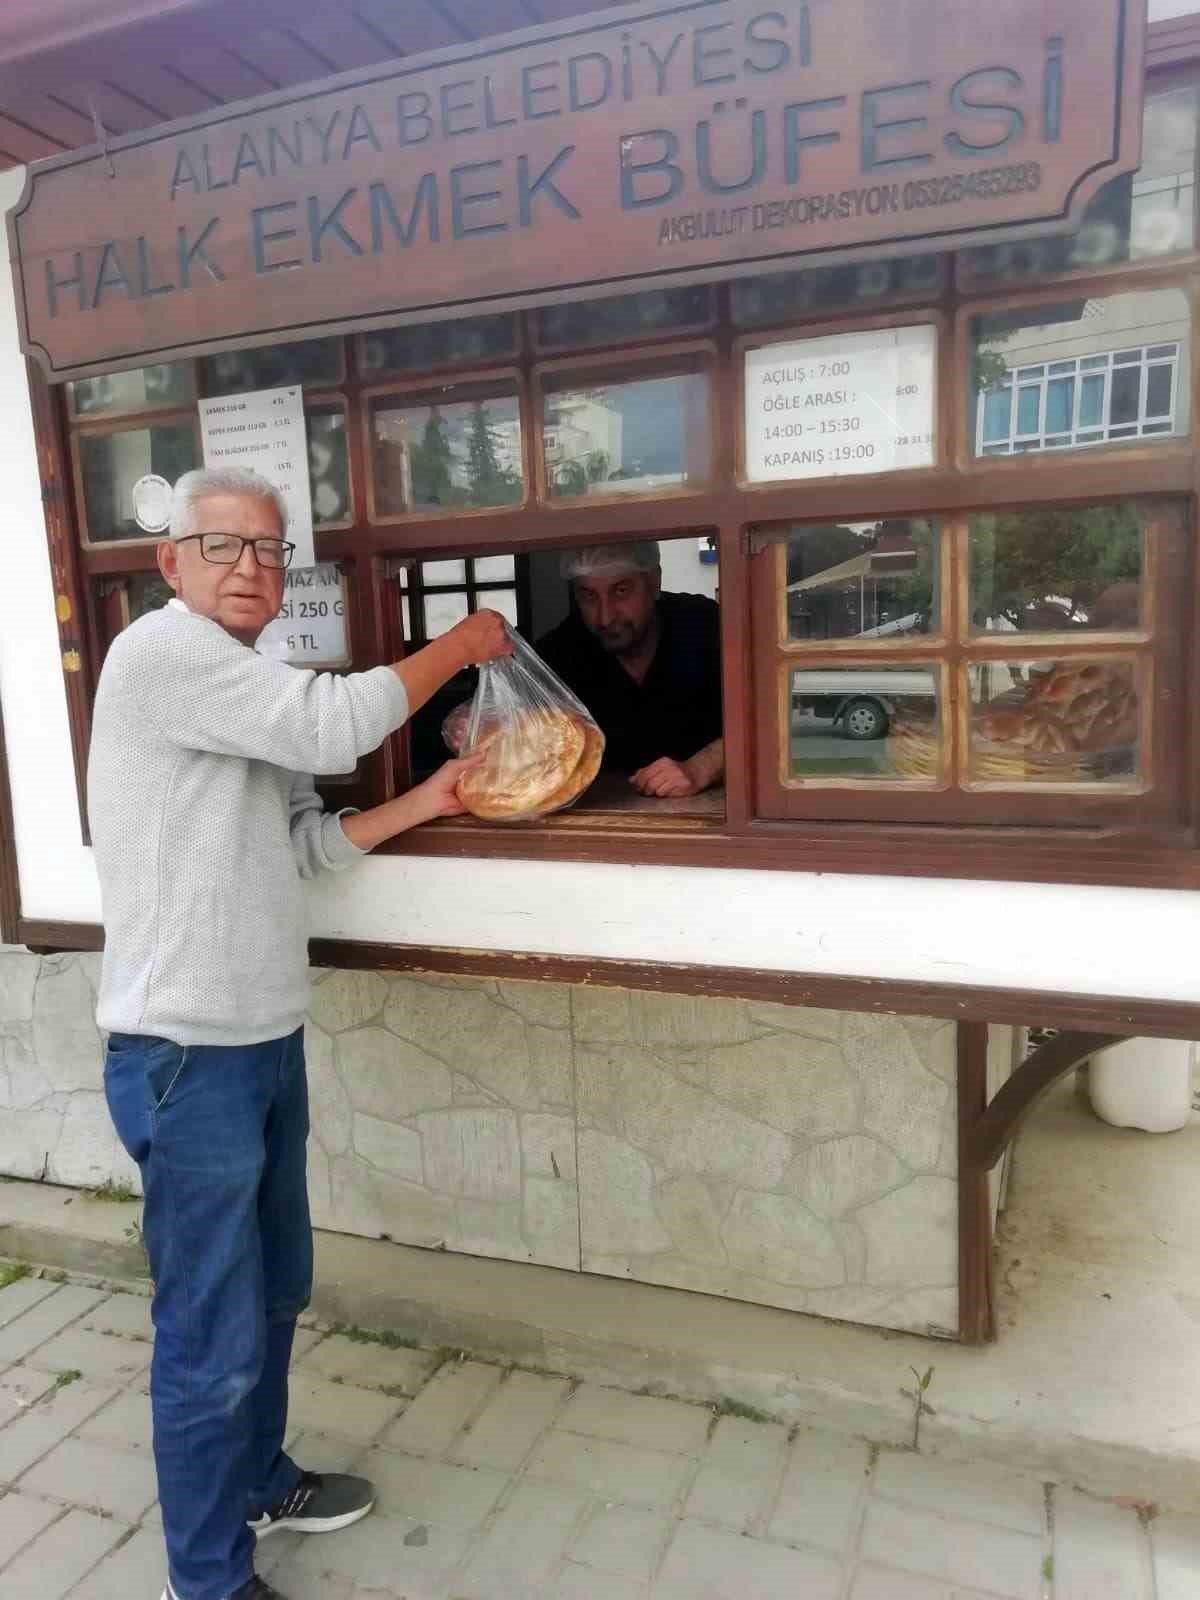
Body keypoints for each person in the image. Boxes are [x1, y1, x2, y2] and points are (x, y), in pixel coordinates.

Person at [87, 466, 510, 1600]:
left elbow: (306, 848)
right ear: (171, 562)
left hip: (261, 1041)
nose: (251, 569)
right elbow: (339, 715)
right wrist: (462, 644)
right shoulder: (163, 655)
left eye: (270, 552)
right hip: (185, 1058)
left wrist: (434, 800)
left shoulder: (242, 687)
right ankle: (208, 1580)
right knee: (209, 1337)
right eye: (223, 547)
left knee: (275, 1291)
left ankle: (260, 1479)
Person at [447, 541, 724, 798]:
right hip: (594, 821)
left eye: (621, 591)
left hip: (714, 817)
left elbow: (765, 718)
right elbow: (512, 719)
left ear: (653, 582)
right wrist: (475, 728)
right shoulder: (559, 652)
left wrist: (701, 769)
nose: (605, 616)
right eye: (589, 596)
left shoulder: (706, 626)